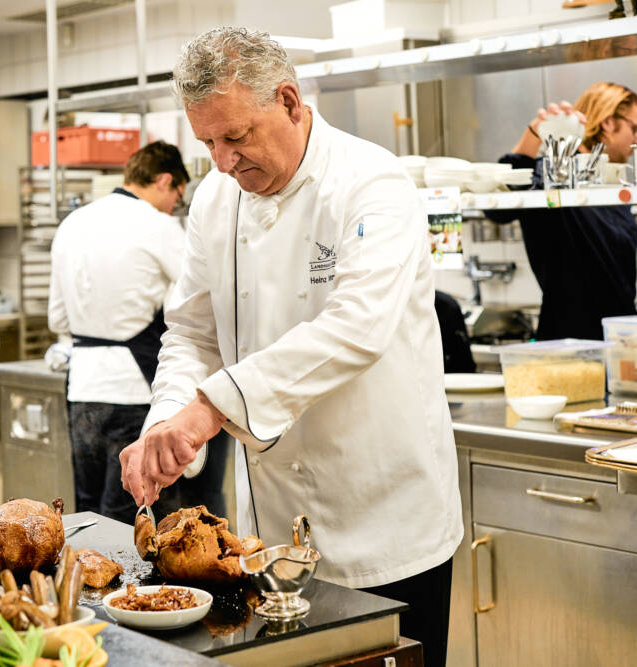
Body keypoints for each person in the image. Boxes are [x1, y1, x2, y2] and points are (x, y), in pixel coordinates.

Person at [118, 27, 463, 667]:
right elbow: (193, 331)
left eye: (236, 136)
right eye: (208, 143)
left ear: (288, 100)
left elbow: (355, 326)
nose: (221, 162)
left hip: (383, 518)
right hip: (271, 533)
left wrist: (211, 409)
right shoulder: (219, 200)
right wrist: (169, 421)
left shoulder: (372, 184)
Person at [48, 140, 203, 524]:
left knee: (88, 515)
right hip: (135, 390)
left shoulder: (73, 223)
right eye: (177, 196)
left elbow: (58, 318)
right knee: (141, 514)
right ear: (165, 181)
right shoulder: (158, 225)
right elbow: (199, 295)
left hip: (82, 387)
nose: (174, 207)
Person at [491, 82, 637, 340]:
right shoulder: (554, 177)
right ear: (608, 123)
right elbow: (498, 208)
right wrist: (534, 133)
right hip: (567, 343)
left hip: (620, 339)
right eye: (634, 128)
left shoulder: (611, 183)